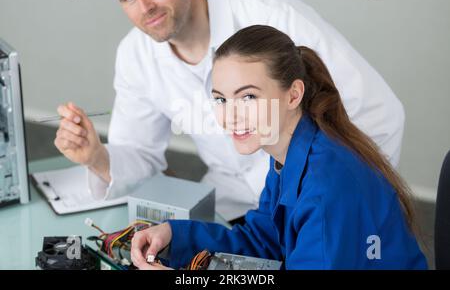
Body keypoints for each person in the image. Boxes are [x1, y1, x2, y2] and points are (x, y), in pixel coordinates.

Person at [54, 0, 405, 223]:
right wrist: (97, 156)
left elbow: (379, 113)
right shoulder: (135, 54)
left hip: (315, 205)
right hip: (231, 206)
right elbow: (141, 154)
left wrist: (338, 206)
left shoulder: (272, 16)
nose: (145, 6)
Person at [129, 25, 427, 270]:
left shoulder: (325, 188)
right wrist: (176, 236)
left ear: (293, 95)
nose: (230, 116)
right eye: (220, 99)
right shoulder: (287, 155)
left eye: (248, 98)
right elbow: (263, 242)